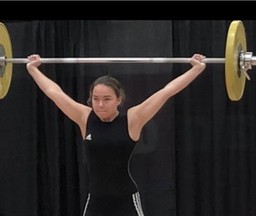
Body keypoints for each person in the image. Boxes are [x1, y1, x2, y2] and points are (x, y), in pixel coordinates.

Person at [26, 53, 206, 216]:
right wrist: (33, 70)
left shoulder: (133, 119)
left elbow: (167, 92)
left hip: (126, 201)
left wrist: (196, 69)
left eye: (107, 99)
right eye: (95, 99)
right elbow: (54, 93)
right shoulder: (84, 117)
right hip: (96, 201)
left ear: (119, 99)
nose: (100, 105)